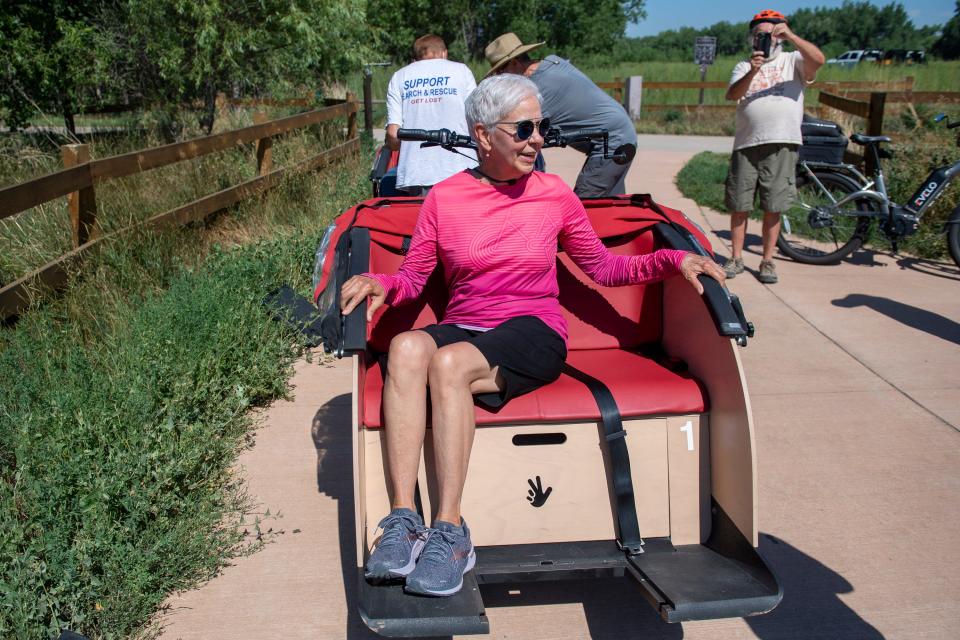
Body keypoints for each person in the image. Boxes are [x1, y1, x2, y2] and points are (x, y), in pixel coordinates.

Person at [339, 74, 725, 597]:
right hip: (468, 325)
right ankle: (405, 521)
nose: (537, 139)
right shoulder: (445, 198)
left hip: (533, 331)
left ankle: (451, 530)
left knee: (448, 364)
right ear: (482, 135)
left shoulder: (553, 194)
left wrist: (675, 258)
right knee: (408, 349)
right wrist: (379, 283)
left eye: (541, 127)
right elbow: (412, 279)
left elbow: (606, 269)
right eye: (523, 129)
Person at [723, 9, 825, 284]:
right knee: (740, 204)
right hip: (747, 143)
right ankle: (736, 257)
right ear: (751, 38)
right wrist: (754, 70)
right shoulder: (745, 66)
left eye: (770, 33)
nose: (764, 38)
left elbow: (819, 59)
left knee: (773, 205)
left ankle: (767, 261)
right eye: (759, 34)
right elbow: (732, 94)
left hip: (782, 142)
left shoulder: (794, 61)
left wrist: (790, 34)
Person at [484, 32, 637, 198]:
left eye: (501, 70)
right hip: (621, 131)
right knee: (612, 205)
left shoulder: (537, 88)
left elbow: (519, 132)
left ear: (514, 62)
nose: (501, 77)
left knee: (585, 204)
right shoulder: (552, 61)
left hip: (612, 140)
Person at [385, 34, 477, 195]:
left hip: (417, 173)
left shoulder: (400, 76)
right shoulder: (462, 71)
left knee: (422, 219)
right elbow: (478, 119)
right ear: (444, 53)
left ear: (415, 58)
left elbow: (393, 135)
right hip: (461, 168)